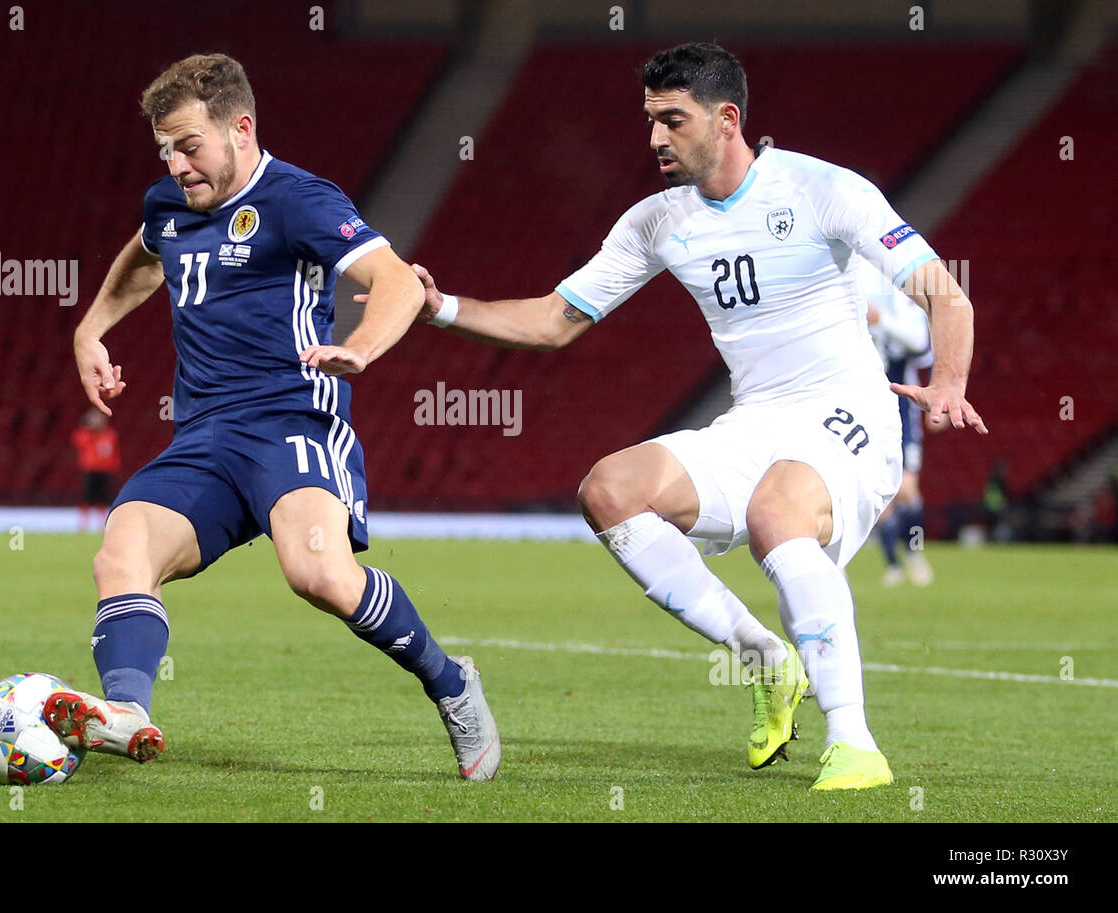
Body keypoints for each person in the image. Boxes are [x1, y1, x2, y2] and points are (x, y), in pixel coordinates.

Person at [404, 42, 986, 790]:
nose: (654, 139)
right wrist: (441, 307)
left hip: (850, 416)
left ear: (727, 118)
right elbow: (554, 320)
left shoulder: (822, 189)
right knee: (609, 490)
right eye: (649, 121)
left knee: (779, 509)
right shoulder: (656, 221)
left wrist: (950, 380)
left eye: (672, 120)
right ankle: (764, 657)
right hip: (757, 422)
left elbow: (946, 292)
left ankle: (855, 742)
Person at [47, 53, 499, 781]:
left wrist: (360, 346)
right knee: (121, 549)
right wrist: (89, 329)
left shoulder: (297, 200)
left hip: (291, 423)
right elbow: (145, 253)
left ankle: (450, 682)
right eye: (164, 148)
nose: (177, 164)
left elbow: (395, 283)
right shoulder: (170, 201)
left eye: (190, 145)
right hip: (203, 439)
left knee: (318, 573)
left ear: (241, 129)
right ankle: (128, 710)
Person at [864, 271, 936, 586]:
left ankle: (915, 553)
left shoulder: (905, 304)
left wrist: (880, 319)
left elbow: (920, 343)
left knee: (907, 490)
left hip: (904, 410)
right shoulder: (855, 297)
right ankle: (892, 565)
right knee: (880, 497)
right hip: (867, 408)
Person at [71, 408, 121, 532]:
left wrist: (114, 466)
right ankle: (84, 524)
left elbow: (113, 453)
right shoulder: (84, 434)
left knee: (103, 498)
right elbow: (79, 442)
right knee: (87, 497)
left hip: (104, 470)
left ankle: (102, 523)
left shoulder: (110, 434)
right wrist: (90, 430)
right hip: (90, 470)